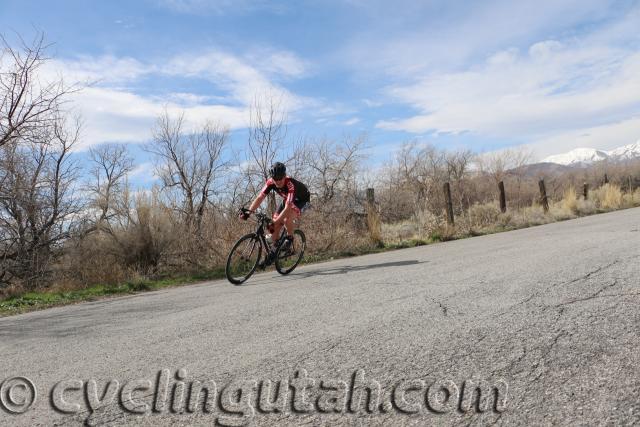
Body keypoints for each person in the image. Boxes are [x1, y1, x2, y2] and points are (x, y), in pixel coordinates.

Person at [240, 162, 310, 262]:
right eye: (275, 179)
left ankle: (289, 239)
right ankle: (275, 249)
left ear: (284, 176)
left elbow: (287, 209)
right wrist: (249, 212)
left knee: (286, 219)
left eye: (280, 178)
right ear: (272, 178)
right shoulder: (270, 182)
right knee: (272, 226)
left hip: (302, 201)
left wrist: (276, 222)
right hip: (288, 200)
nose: (278, 181)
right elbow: (260, 198)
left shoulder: (290, 184)